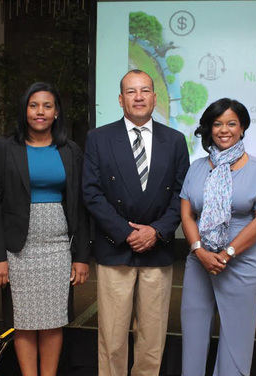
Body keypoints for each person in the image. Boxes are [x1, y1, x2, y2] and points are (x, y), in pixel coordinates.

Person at [82, 69, 189, 376]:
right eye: (131, 91)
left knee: (152, 340)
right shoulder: (99, 139)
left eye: (145, 90)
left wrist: (157, 231)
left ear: (155, 97)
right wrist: (125, 232)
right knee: (112, 339)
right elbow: (91, 192)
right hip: (115, 249)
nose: (139, 97)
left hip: (157, 250)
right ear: (120, 99)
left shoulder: (175, 140)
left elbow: (182, 194)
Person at [0, 82, 90, 376]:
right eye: (33, 105)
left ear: (56, 113)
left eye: (47, 106)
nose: (40, 112)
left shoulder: (70, 150)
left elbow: (80, 205)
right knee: (24, 321)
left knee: (54, 320)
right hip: (18, 248)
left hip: (58, 246)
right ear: (24, 110)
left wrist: (81, 256)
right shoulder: (4, 148)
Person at [180, 98, 256, 375]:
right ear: (209, 129)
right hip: (199, 261)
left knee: (237, 340)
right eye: (218, 123)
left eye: (232, 123)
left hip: (242, 262)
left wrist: (226, 254)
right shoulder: (197, 167)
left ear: (243, 128)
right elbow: (187, 215)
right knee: (194, 336)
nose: (225, 129)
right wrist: (199, 251)